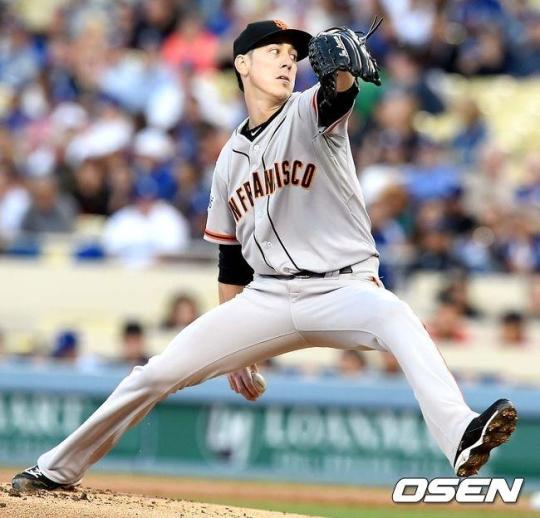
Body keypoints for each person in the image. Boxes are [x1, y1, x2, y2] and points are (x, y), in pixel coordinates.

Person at [12, 19, 517, 492]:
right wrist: (238, 351)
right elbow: (231, 258)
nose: (287, 60)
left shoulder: (308, 111)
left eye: (293, 55)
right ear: (241, 64)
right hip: (268, 298)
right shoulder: (228, 160)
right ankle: (56, 469)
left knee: (398, 318)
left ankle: (460, 433)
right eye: (273, 51)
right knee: (154, 374)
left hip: (343, 289)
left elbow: (337, 94)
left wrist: (341, 70)